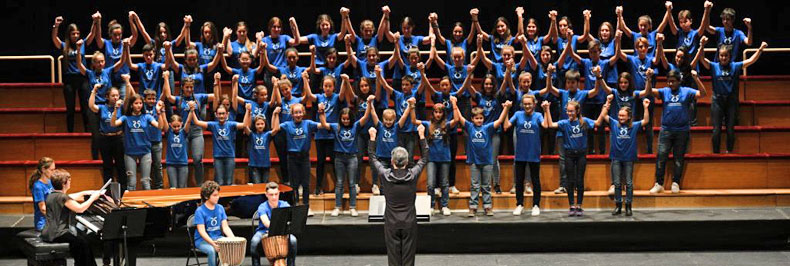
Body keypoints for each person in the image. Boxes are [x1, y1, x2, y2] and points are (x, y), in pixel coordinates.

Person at [368, 123, 428, 266]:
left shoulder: (385, 175)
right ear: (407, 162)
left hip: (391, 222)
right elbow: (425, 157)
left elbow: (372, 157)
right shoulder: (412, 175)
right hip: (409, 222)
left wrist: (372, 138)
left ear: (392, 161)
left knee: (393, 257)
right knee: (408, 257)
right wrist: (421, 136)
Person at [694, 36, 767, 153]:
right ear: (718, 56)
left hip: (731, 101)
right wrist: (701, 45)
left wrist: (760, 49)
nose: (723, 58)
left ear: (730, 56)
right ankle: (716, 153)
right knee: (716, 130)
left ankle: (729, 152)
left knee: (730, 129)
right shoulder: (714, 66)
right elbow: (702, 59)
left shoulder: (735, 66)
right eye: (721, 55)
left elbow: (751, 61)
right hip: (717, 101)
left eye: (726, 56)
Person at [642, 68, 707, 194]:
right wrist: (649, 79)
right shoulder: (665, 91)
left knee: (678, 158)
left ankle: (675, 182)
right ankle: (659, 183)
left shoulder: (687, 91)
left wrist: (696, 79)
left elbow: (703, 94)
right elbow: (649, 92)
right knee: (661, 156)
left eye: (673, 81)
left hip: (682, 130)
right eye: (668, 81)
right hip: (666, 130)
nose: (670, 84)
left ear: (679, 81)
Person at [452, 95, 511, 217]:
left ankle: (487, 206)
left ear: (484, 119)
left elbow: (500, 121)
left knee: (486, 185)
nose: (479, 120)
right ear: (472, 119)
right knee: (474, 185)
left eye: (481, 118)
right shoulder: (469, 127)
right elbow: (460, 118)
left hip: (487, 161)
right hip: (474, 161)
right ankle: (473, 207)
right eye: (476, 118)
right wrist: (454, 103)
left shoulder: (488, 128)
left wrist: (506, 108)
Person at [543, 100, 601, 217]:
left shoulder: (584, 122)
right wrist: (547, 109)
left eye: (571, 111)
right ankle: (571, 205)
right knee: (570, 181)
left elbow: (598, 123)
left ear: (577, 111)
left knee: (579, 180)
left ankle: (579, 205)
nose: (569, 113)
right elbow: (550, 125)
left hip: (581, 154)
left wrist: (606, 107)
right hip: (569, 154)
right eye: (568, 111)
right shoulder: (564, 123)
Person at [192, 81, 252, 186]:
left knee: (229, 182)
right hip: (218, 157)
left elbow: (245, 124)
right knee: (219, 182)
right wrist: (192, 111)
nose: (221, 116)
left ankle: (227, 202)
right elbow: (197, 122)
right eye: (219, 114)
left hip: (229, 156)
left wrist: (248, 111)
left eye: (223, 114)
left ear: (227, 114)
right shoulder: (213, 125)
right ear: (216, 114)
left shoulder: (231, 124)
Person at [42, 169, 103, 266]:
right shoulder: (63, 198)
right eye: (69, 180)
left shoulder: (52, 195)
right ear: (63, 183)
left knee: (83, 238)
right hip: (58, 233)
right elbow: (80, 209)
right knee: (82, 243)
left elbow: (72, 196)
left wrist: (87, 192)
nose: (70, 182)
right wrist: (93, 198)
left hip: (48, 232)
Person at [603, 95, 650, 216]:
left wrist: (645, 107)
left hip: (629, 158)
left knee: (629, 183)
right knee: (617, 183)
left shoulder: (633, 126)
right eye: (619, 115)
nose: (620, 117)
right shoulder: (614, 124)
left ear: (629, 116)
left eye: (623, 116)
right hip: (616, 158)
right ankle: (618, 205)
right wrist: (607, 104)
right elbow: (604, 116)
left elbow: (646, 121)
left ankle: (628, 206)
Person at [51, 14, 98, 133]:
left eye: (77, 33)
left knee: (85, 108)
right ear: (69, 35)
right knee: (70, 109)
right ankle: (70, 133)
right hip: (69, 80)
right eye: (73, 33)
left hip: (82, 79)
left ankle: (88, 132)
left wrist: (95, 21)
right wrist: (56, 26)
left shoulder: (82, 44)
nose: (76, 36)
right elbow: (54, 38)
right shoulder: (64, 46)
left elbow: (92, 34)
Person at [110, 94, 165, 191]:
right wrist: (115, 109)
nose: (139, 105)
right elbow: (113, 124)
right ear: (131, 105)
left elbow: (160, 126)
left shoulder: (147, 117)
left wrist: (159, 113)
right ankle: (132, 205)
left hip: (145, 151)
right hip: (130, 152)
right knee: (131, 182)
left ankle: (148, 206)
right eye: (136, 103)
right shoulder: (125, 118)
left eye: (140, 103)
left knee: (145, 181)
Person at [504, 94, 547, 216]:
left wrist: (546, 110)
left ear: (534, 104)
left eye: (530, 104)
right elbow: (506, 126)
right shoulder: (518, 114)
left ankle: (536, 205)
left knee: (535, 180)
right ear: (522, 104)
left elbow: (546, 125)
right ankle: (519, 204)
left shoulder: (538, 115)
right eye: (525, 104)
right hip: (520, 153)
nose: (527, 106)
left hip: (533, 153)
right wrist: (506, 110)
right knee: (519, 181)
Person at [88, 75, 132, 190]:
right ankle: (108, 192)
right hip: (105, 139)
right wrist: (94, 90)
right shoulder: (102, 108)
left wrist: (127, 82)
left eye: (117, 95)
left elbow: (128, 98)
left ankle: (123, 189)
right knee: (107, 166)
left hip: (118, 138)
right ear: (107, 97)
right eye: (113, 96)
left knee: (120, 165)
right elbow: (91, 106)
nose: (116, 98)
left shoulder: (122, 107)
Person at [249, 182, 297, 266]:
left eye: (276, 194)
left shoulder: (285, 204)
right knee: (254, 242)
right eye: (271, 195)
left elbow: (291, 219)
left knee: (293, 241)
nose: (274, 197)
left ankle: (291, 264)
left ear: (279, 193)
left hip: (282, 231)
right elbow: (266, 223)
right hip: (264, 231)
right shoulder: (262, 207)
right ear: (266, 194)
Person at [193, 181, 236, 266]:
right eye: (214, 195)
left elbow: (225, 227)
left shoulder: (220, 208)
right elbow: (202, 232)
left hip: (218, 238)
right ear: (206, 196)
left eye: (218, 195)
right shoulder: (200, 211)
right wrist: (213, 244)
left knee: (230, 247)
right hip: (202, 240)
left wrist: (233, 239)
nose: (217, 197)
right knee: (212, 250)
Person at [246, 107, 280, 184]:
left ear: (265, 124)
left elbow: (277, 128)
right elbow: (245, 126)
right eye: (258, 124)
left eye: (262, 124)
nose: (260, 126)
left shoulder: (267, 135)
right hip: (254, 165)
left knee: (265, 186)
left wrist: (276, 114)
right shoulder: (252, 135)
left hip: (265, 164)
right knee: (257, 185)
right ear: (254, 125)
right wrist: (248, 112)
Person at [30, 157, 56, 231]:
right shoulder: (38, 186)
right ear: (43, 169)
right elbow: (43, 209)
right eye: (51, 170)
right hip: (43, 223)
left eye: (54, 169)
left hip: (51, 220)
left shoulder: (50, 182)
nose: (54, 172)